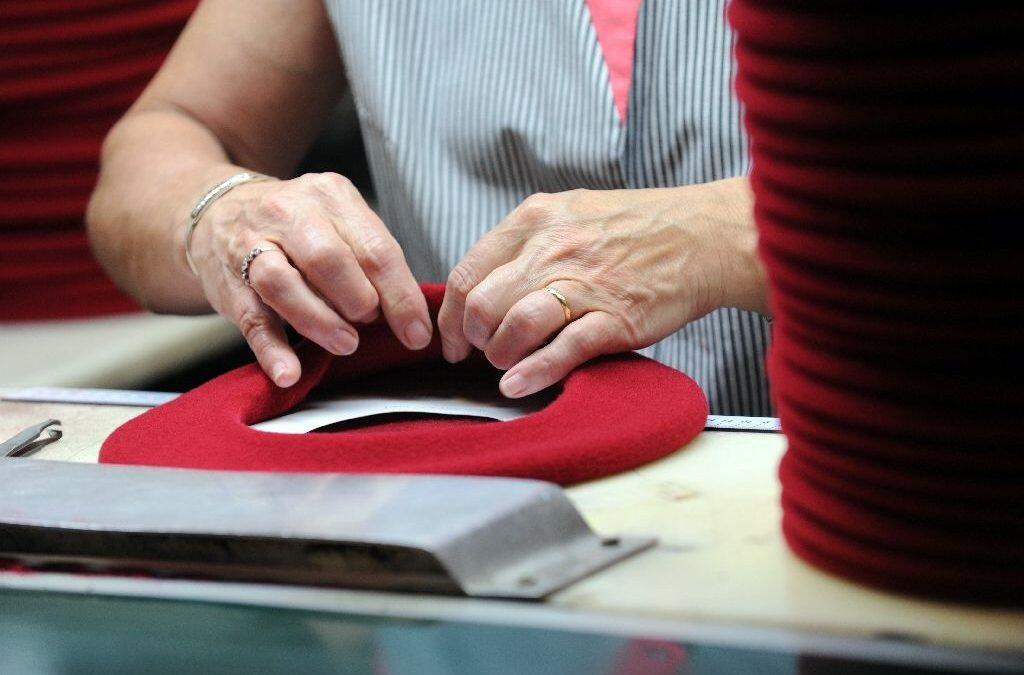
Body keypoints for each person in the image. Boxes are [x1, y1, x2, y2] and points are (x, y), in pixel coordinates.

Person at [87, 0, 771, 415]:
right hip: (465, 504)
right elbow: (155, 149)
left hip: (834, 476)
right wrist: (221, 213)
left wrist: (722, 235)